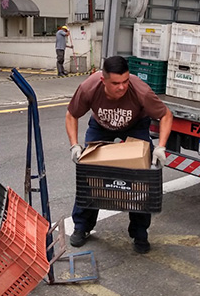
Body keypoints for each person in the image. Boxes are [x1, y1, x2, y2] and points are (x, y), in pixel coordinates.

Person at [65, 55, 173, 254]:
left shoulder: (140, 90)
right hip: (101, 126)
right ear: (103, 80)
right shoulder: (89, 88)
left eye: (125, 81)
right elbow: (72, 114)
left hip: (135, 125)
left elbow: (165, 115)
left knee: (140, 179)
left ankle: (140, 233)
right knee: (90, 174)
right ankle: (82, 226)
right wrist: (74, 145)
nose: (122, 87)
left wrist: (161, 147)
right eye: (115, 83)